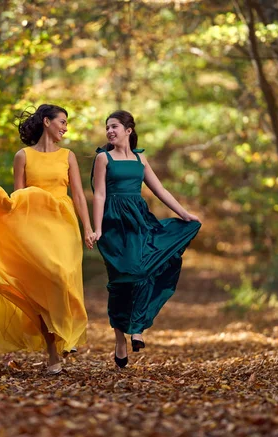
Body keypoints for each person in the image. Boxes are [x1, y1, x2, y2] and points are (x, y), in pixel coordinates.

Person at [0, 104, 94, 375]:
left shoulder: (68, 156)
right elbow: (18, 198)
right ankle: (53, 351)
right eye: (62, 122)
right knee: (47, 280)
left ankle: (67, 331)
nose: (65, 128)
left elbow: (79, 195)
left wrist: (88, 228)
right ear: (47, 122)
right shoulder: (22, 156)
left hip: (63, 225)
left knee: (63, 277)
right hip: (33, 227)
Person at [91, 110, 201, 368]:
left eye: (114, 126)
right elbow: (99, 195)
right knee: (120, 281)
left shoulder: (140, 158)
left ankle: (137, 327)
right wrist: (97, 229)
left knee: (143, 271)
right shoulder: (103, 158)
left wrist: (184, 214)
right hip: (113, 224)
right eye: (107, 127)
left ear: (128, 130)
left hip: (139, 221)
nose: (110, 131)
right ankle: (120, 338)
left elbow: (159, 189)